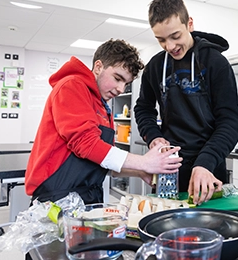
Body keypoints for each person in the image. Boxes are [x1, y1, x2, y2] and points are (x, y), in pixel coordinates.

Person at [25, 39, 182, 205]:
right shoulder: (72, 86)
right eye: (117, 78)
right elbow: (86, 145)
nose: (121, 89)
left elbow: (103, 160)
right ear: (98, 67)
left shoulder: (101, 106)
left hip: (86, 195)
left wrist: (139, 171)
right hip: (57, 196)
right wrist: (144, 162)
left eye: (126, 83)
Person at [134, 0, 238, 205]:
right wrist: (153, 136)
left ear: (189, 24)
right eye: (161, 40)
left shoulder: (216, 63)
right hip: (168, 170)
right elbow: (143, 109)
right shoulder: (155, 67)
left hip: (208, 167)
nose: (170, 46)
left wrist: (205, 163)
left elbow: (230, 122)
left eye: (175, 36)